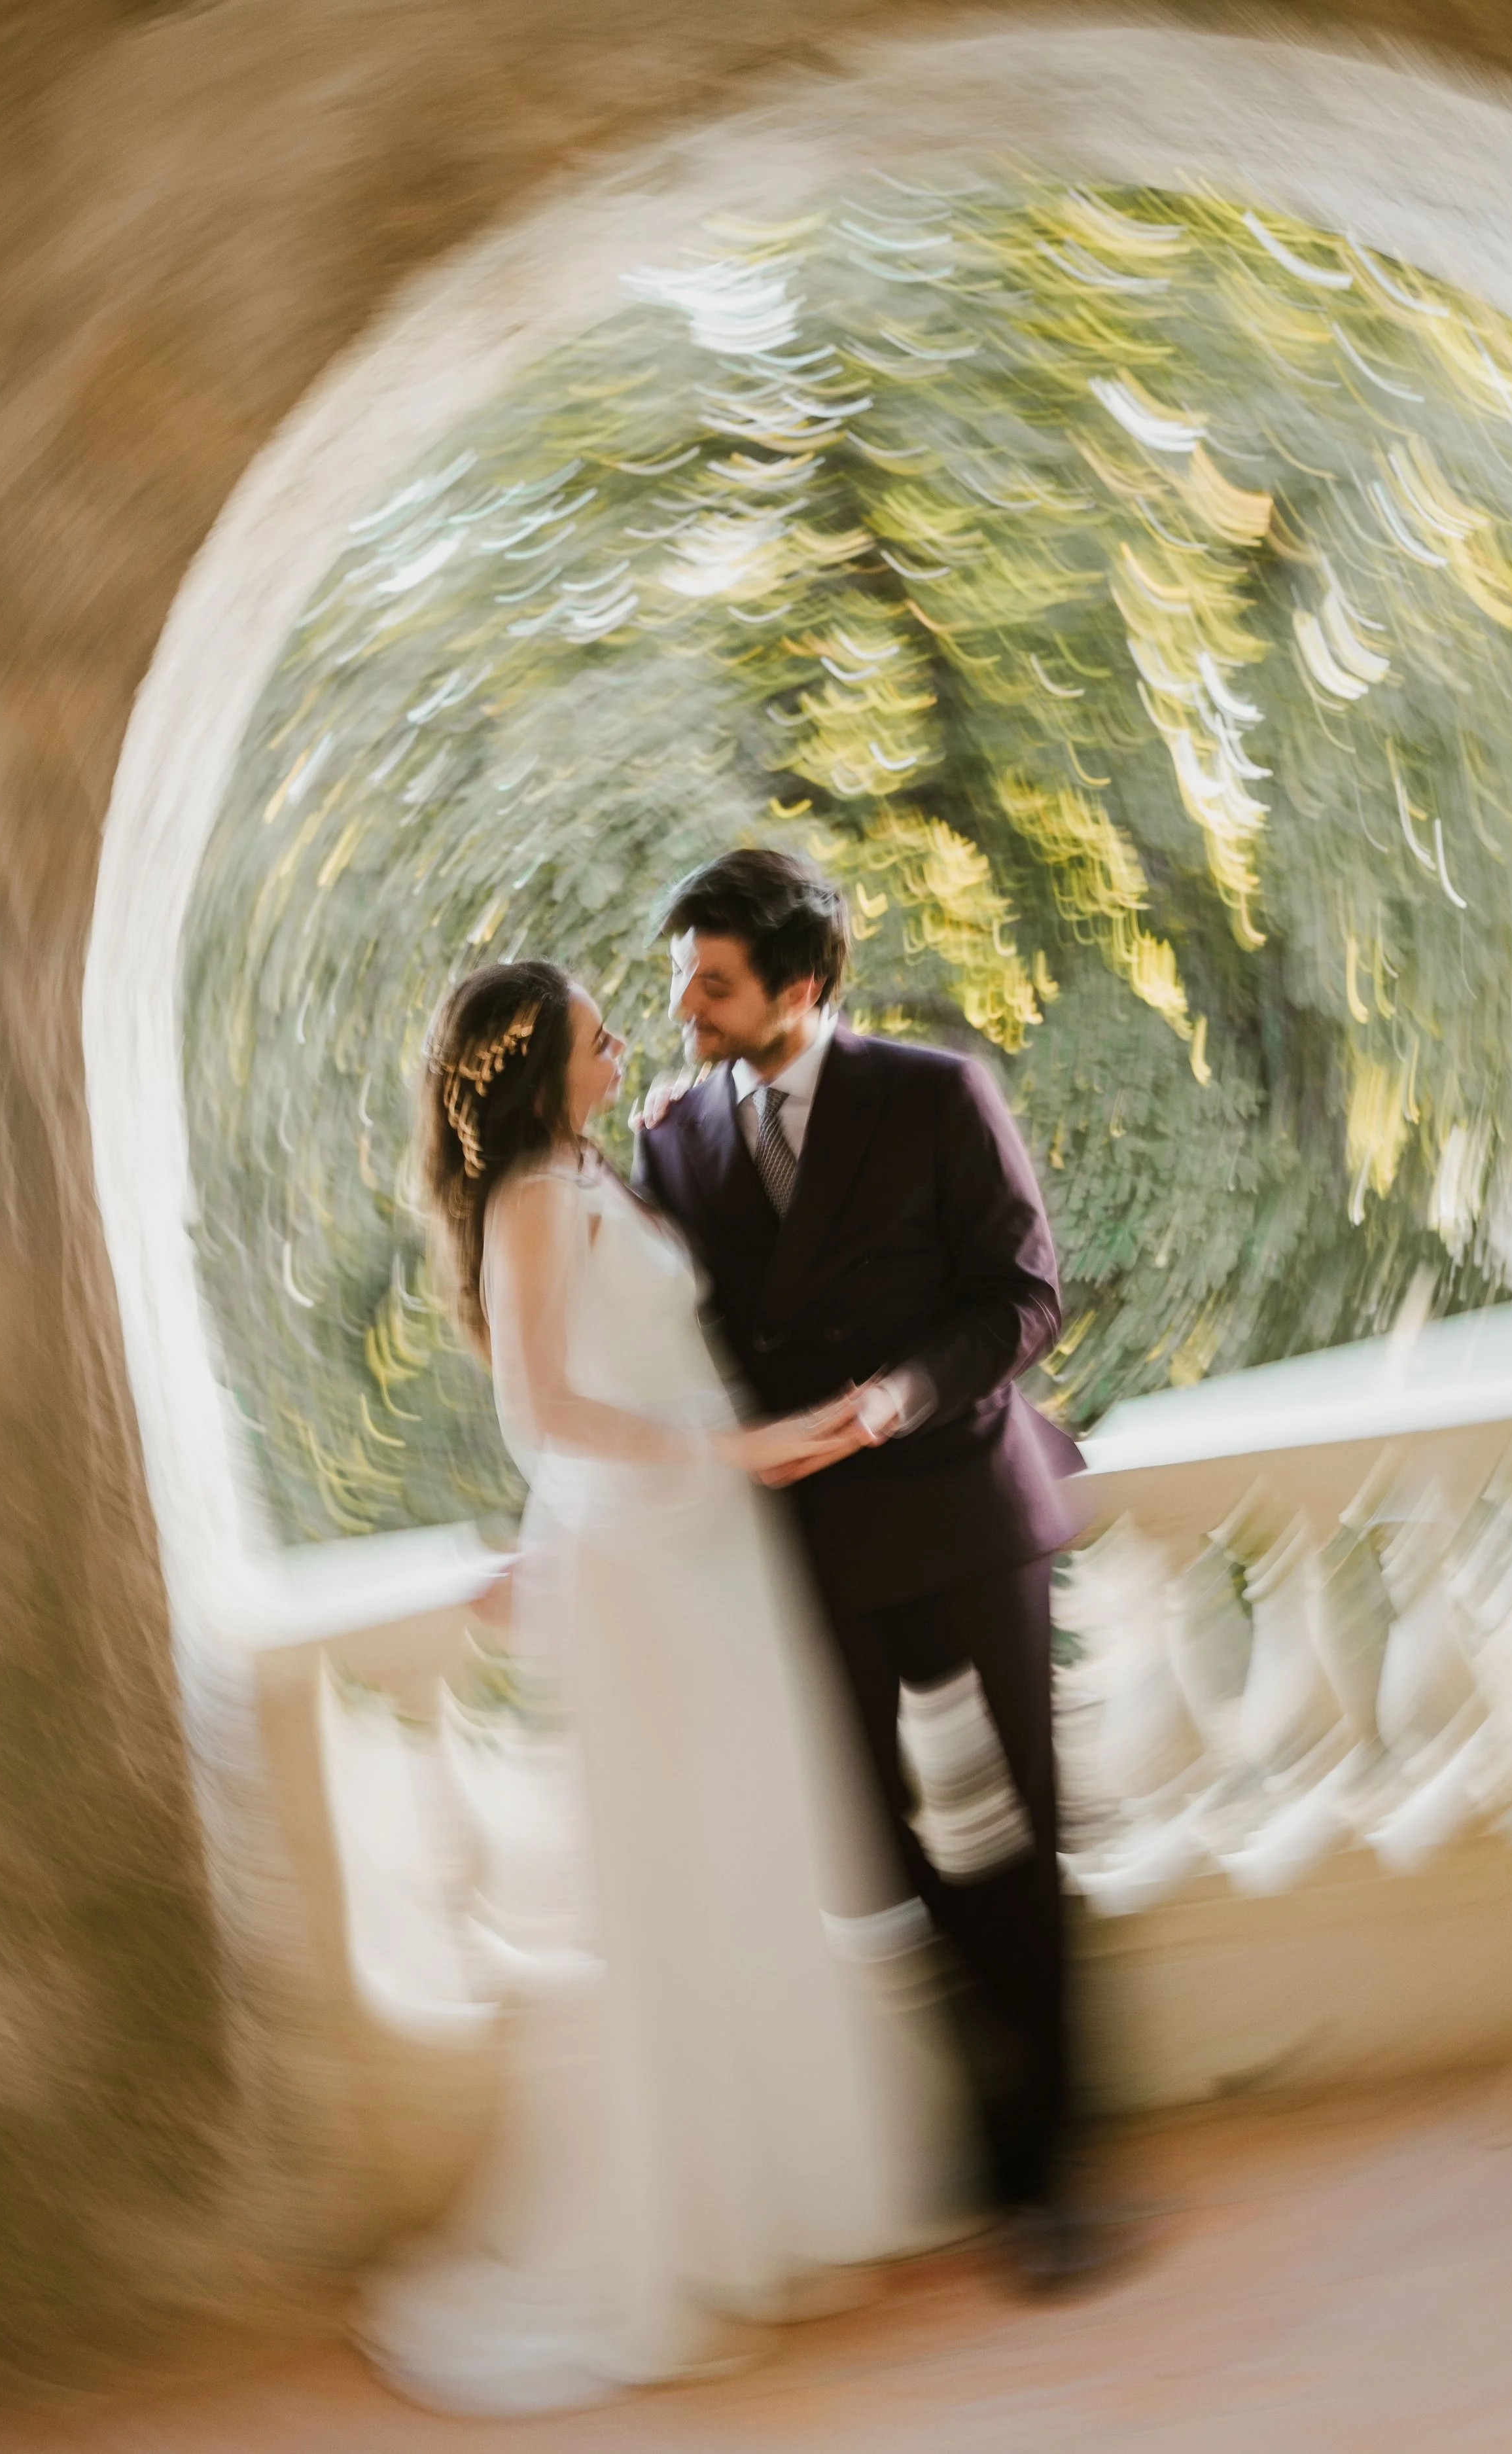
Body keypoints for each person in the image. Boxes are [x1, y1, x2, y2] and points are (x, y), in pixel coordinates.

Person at [355, 958, 970, 2418]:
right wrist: (718, 1454)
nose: (621, 1043)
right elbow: (542, 1410)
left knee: (756, 1858)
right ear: (537, 1069)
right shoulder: (528, 1199)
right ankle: (680, 2243)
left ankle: (780, 2204)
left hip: (712, 1556)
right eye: (594, 1034)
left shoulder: (598, 1177)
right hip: (643, 1566)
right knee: (671, 1884)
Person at [634, 847, 1117, 2290]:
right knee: (881, 1851)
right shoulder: (674, 1138)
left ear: (803, 984)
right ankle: (991, 2111)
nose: (687, 1010)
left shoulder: (935, 1093)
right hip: (810, 1552)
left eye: (714, 986)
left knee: (1016, 1830)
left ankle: (1050, 2168)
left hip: (962, 1512)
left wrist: (897, 1396)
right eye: (682, 983)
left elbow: (1022, 1293)